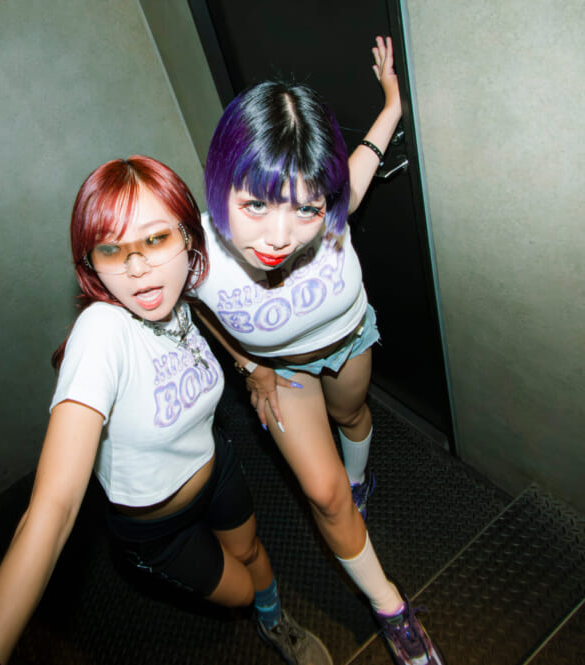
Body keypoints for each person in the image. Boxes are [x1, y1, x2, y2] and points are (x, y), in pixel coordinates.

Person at [0, 156, 333, 665]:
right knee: (241, 592)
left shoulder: (175, 292)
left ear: (187, 237)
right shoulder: (102, 333)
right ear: (91, 262)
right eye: (111, 249)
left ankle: (276, 621)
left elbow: (201, 313)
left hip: (216, 468)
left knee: (252, 554)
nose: (137, 269)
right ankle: (260, 610)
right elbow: (53, 507)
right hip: (158, 527)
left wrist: (250, 366)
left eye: (155, 239)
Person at [189, 37, 442, 665]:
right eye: (255, 204)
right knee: (324, 496)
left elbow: (364, 158)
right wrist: (250, 365)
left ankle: (361, 480)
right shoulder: (194, 254)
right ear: (220, 181)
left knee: (352, 417)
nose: (280, 237)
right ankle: (392, 608)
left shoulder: (331, 208)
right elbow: (193, 305)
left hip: (350, 341)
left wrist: (392, 102)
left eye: (305, 208)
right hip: (285, 374)